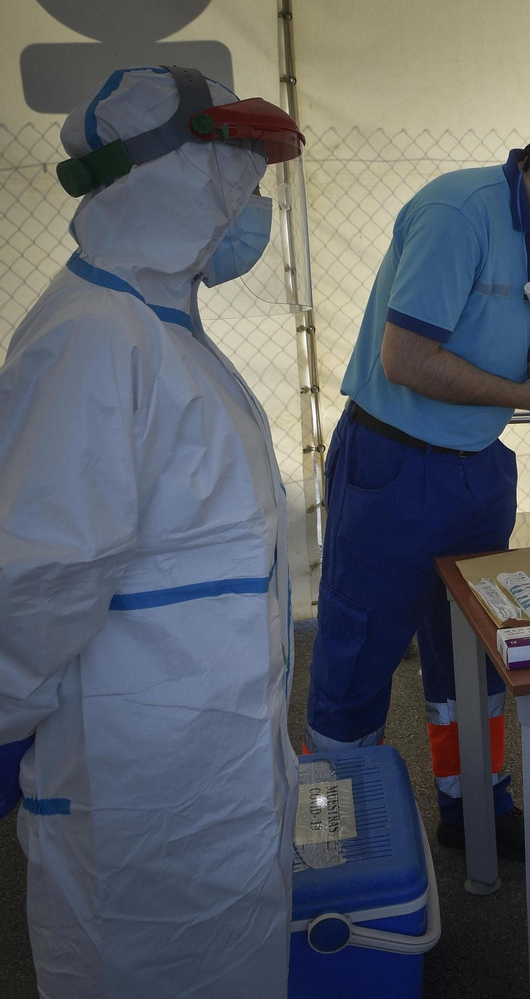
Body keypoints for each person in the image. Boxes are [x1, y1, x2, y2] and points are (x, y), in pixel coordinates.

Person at [0, 66, 304, 996]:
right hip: (134, 801)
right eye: (235, 164)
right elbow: (32, 590)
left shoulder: (156, 328)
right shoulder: (94, 339)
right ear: (161, 171)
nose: (251, 194)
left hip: (204, 778)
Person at [306, 94, 530, 859]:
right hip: (393, 464)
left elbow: (525, 332)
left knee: (475, 657)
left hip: (477, 470)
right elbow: (407, 359)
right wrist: (521, 397)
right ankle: (329, 841)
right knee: (354, 660)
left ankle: (475, 809)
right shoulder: (458, 211)